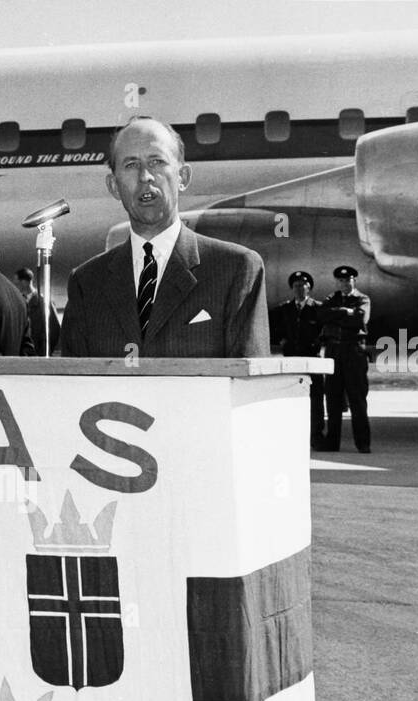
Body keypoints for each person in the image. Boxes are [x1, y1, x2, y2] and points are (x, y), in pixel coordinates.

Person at [62, 116, 270, 359]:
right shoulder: (87, 284)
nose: (145, 176)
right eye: (131, 165)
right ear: (113, 186)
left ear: (183, 177)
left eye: (157, 162)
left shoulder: (236, 269)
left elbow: (249, 384)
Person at [319, 264, 372, 453]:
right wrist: (345, 312)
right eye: (341, 281)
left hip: (353, 351)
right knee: (332, 398)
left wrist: (338, 315)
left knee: (357, 398)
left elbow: (360, 319)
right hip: (334, 350)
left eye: (347, 280)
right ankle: (332, 442)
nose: (344, 284)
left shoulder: (362, 299)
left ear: (354, 281)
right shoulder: (331, 299)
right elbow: (322, 315)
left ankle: (363, 443)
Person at [269, 270, 325, 446]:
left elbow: (325, 329)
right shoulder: (284, 309)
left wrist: (318, 342)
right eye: (296, 286)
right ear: (292, 288)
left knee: (315, 398)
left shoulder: (318, 308)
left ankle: (316, 435)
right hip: (292, 357)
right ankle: (293, 434)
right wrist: (282, 341)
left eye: (303, 286)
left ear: (309, 288)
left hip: (311, 359)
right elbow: (271, 328)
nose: (299, 289)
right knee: (291, 395)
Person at [15, 266, 61, 356]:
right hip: (25, 354)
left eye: (17, 283)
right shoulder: (20, 301)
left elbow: (55, 329)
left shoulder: (43, 302)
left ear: (24, 282)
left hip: (37, 353)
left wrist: (44, 350)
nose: (16, 286)